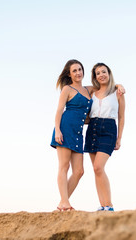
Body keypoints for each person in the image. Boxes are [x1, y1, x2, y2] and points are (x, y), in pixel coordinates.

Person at [51, 59, 125, 212]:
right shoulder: (67, 89)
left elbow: (107, 86)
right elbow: (59, 111)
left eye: (80, 69)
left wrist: (119, 85)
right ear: (69, 74)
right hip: (65, 129)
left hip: (79, 132)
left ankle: (62, 203)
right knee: (64, 166)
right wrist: (57, 130)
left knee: (79, 171)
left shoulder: (89, 90)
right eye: (74, 71)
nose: (78, 73)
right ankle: (65, 202)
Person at [84, 63, 125, 212]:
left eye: (104, 72)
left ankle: (109, 205)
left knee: (98, 167)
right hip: (92, 129)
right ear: (95, 77)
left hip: (108, 129)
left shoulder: (117, 93)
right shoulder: (92, 92)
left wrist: (119, 138)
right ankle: (103, 206)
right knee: (96, 170)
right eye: (98, 73)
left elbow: (121, 116)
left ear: (109, 73)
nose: (101, 75)